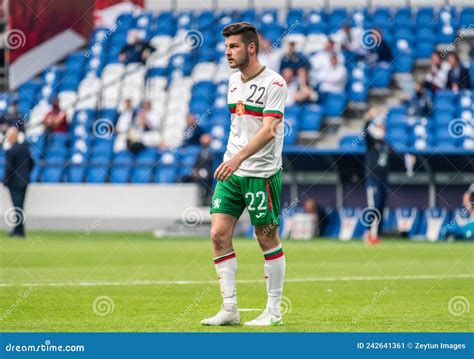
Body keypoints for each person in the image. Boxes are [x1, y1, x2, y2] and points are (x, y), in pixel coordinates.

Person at [201, 22, 287, 327]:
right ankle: (230, 309)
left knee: (266, 238)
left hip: (260, 173)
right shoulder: (232, 82)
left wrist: (237, 158)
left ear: (251, 47)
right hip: (232, 171)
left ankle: (273, 311)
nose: (228, 52)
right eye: (226, 47)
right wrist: (231, 159)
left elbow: (269, 130)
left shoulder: (275, 83)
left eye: (233, 46)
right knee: (217, 234)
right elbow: (238, 126)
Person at [363, 109, 390, 245]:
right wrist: (368, 119)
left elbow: (397, 156)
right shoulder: (372, 142)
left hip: (383, 180)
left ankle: (377, 234)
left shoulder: (386, 144)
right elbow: (366, 133)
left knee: (381, 206)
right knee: (373, 207)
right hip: (373, 178)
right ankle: (370, 234)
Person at [2, 127, 34, 238]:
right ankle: (18, 230)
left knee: (17, 207)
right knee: (20, 207)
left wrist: (4, 181)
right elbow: (32, 163)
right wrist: (26, 175)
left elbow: (9, 168)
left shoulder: (11, 150)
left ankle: (18, 231)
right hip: (24, 181)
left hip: (14, 183)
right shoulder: (25, 149)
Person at [191, 134, 215, 205]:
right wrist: (196, 171)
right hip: (201, 171)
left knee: (209, 179)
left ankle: (208, 196)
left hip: (210, 172)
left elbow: (214, 163)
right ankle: (202, 197)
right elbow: (196, 163)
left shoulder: (213, 151)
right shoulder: (200, 151)